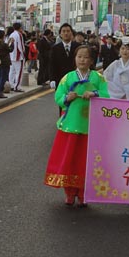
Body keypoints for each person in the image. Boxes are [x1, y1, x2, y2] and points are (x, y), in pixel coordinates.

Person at [44, 45, 109, 207]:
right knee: (69, 160)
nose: (82, 60)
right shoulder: (68, 78)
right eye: (79, 56)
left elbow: (107, 94)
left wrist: (94, 94)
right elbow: (58, 96)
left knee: (86, 162)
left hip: (90, 127)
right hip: (70, 126)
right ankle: (70, 193)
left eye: (86, 57)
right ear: (75, 59)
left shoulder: (98, 78)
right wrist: (67, 97)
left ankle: (83, 194)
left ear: (92, 61)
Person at [49, 23, 79, 89]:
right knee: (61, 99)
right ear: (60, 34)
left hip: (76, 80)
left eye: (68, 31)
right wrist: (52, 79)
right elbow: (52, 65)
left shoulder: (78, 47)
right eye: (63, 31)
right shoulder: (55, 48)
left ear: (71, 33)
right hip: (60, 80)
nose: (66, 33)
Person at [8, 22, 26, 92]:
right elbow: (21, 46)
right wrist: (23, 54)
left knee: (12, 71)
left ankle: (11, 85)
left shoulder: (12, 34)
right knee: (19, 72)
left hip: (11, 55)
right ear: (20, 27)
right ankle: (17, 86)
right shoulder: (19, 35)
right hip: (18, 56)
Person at [0, 29, 11, 98]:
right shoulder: (3, 44)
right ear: (2, 36)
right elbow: (10, 49)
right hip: (5, 62)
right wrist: (11, 43)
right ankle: (0, 92)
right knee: (3, 77)